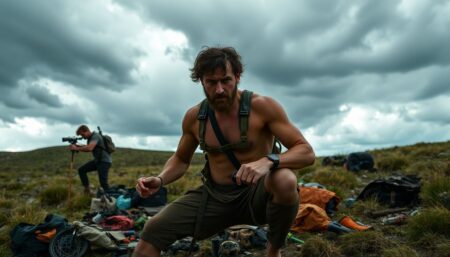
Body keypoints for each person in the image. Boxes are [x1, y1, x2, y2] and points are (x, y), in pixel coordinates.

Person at [133, 47, 315, 257]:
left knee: (285, 180)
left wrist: (268, 161)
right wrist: (160, 179)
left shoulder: (262, 107)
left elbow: (306, 152)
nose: (219, 89)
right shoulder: (195, 118)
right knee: (152, 232)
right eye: (211, 82)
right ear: (202, 82)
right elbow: (181, 160)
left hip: (257, 197)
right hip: (214, 198)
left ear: (237, 77)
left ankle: (273, 251)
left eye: (226, 80)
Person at [69, 125, 112, 194]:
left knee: (103, 183)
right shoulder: (90, 138)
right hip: (98, 161)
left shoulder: (95, 136)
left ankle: (111, 198)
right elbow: (89, 146)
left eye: (83, 134)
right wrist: (77, 146)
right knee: (81, 170)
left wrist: (76, 148)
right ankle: (87, 190)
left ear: (87, 131)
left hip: (104, 161)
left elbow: (89, 148)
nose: (82, 137)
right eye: (81, 136)